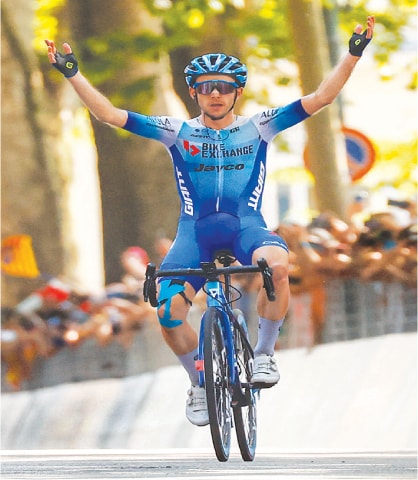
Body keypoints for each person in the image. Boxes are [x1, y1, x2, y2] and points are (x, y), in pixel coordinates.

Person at [45, 15, 374, 426]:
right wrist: (73, 75)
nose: (214, 95)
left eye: (223, 88)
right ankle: (199, 385)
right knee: (167, 314)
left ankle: (264, 356)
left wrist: (353, 53)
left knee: (279, 266)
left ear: (237, 93)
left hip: (245, 228)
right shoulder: (175, 130)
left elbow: (322, 97)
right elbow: (110, 114)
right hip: (194, 236)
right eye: (205, 88)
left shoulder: (260, 126)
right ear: (194, 93)